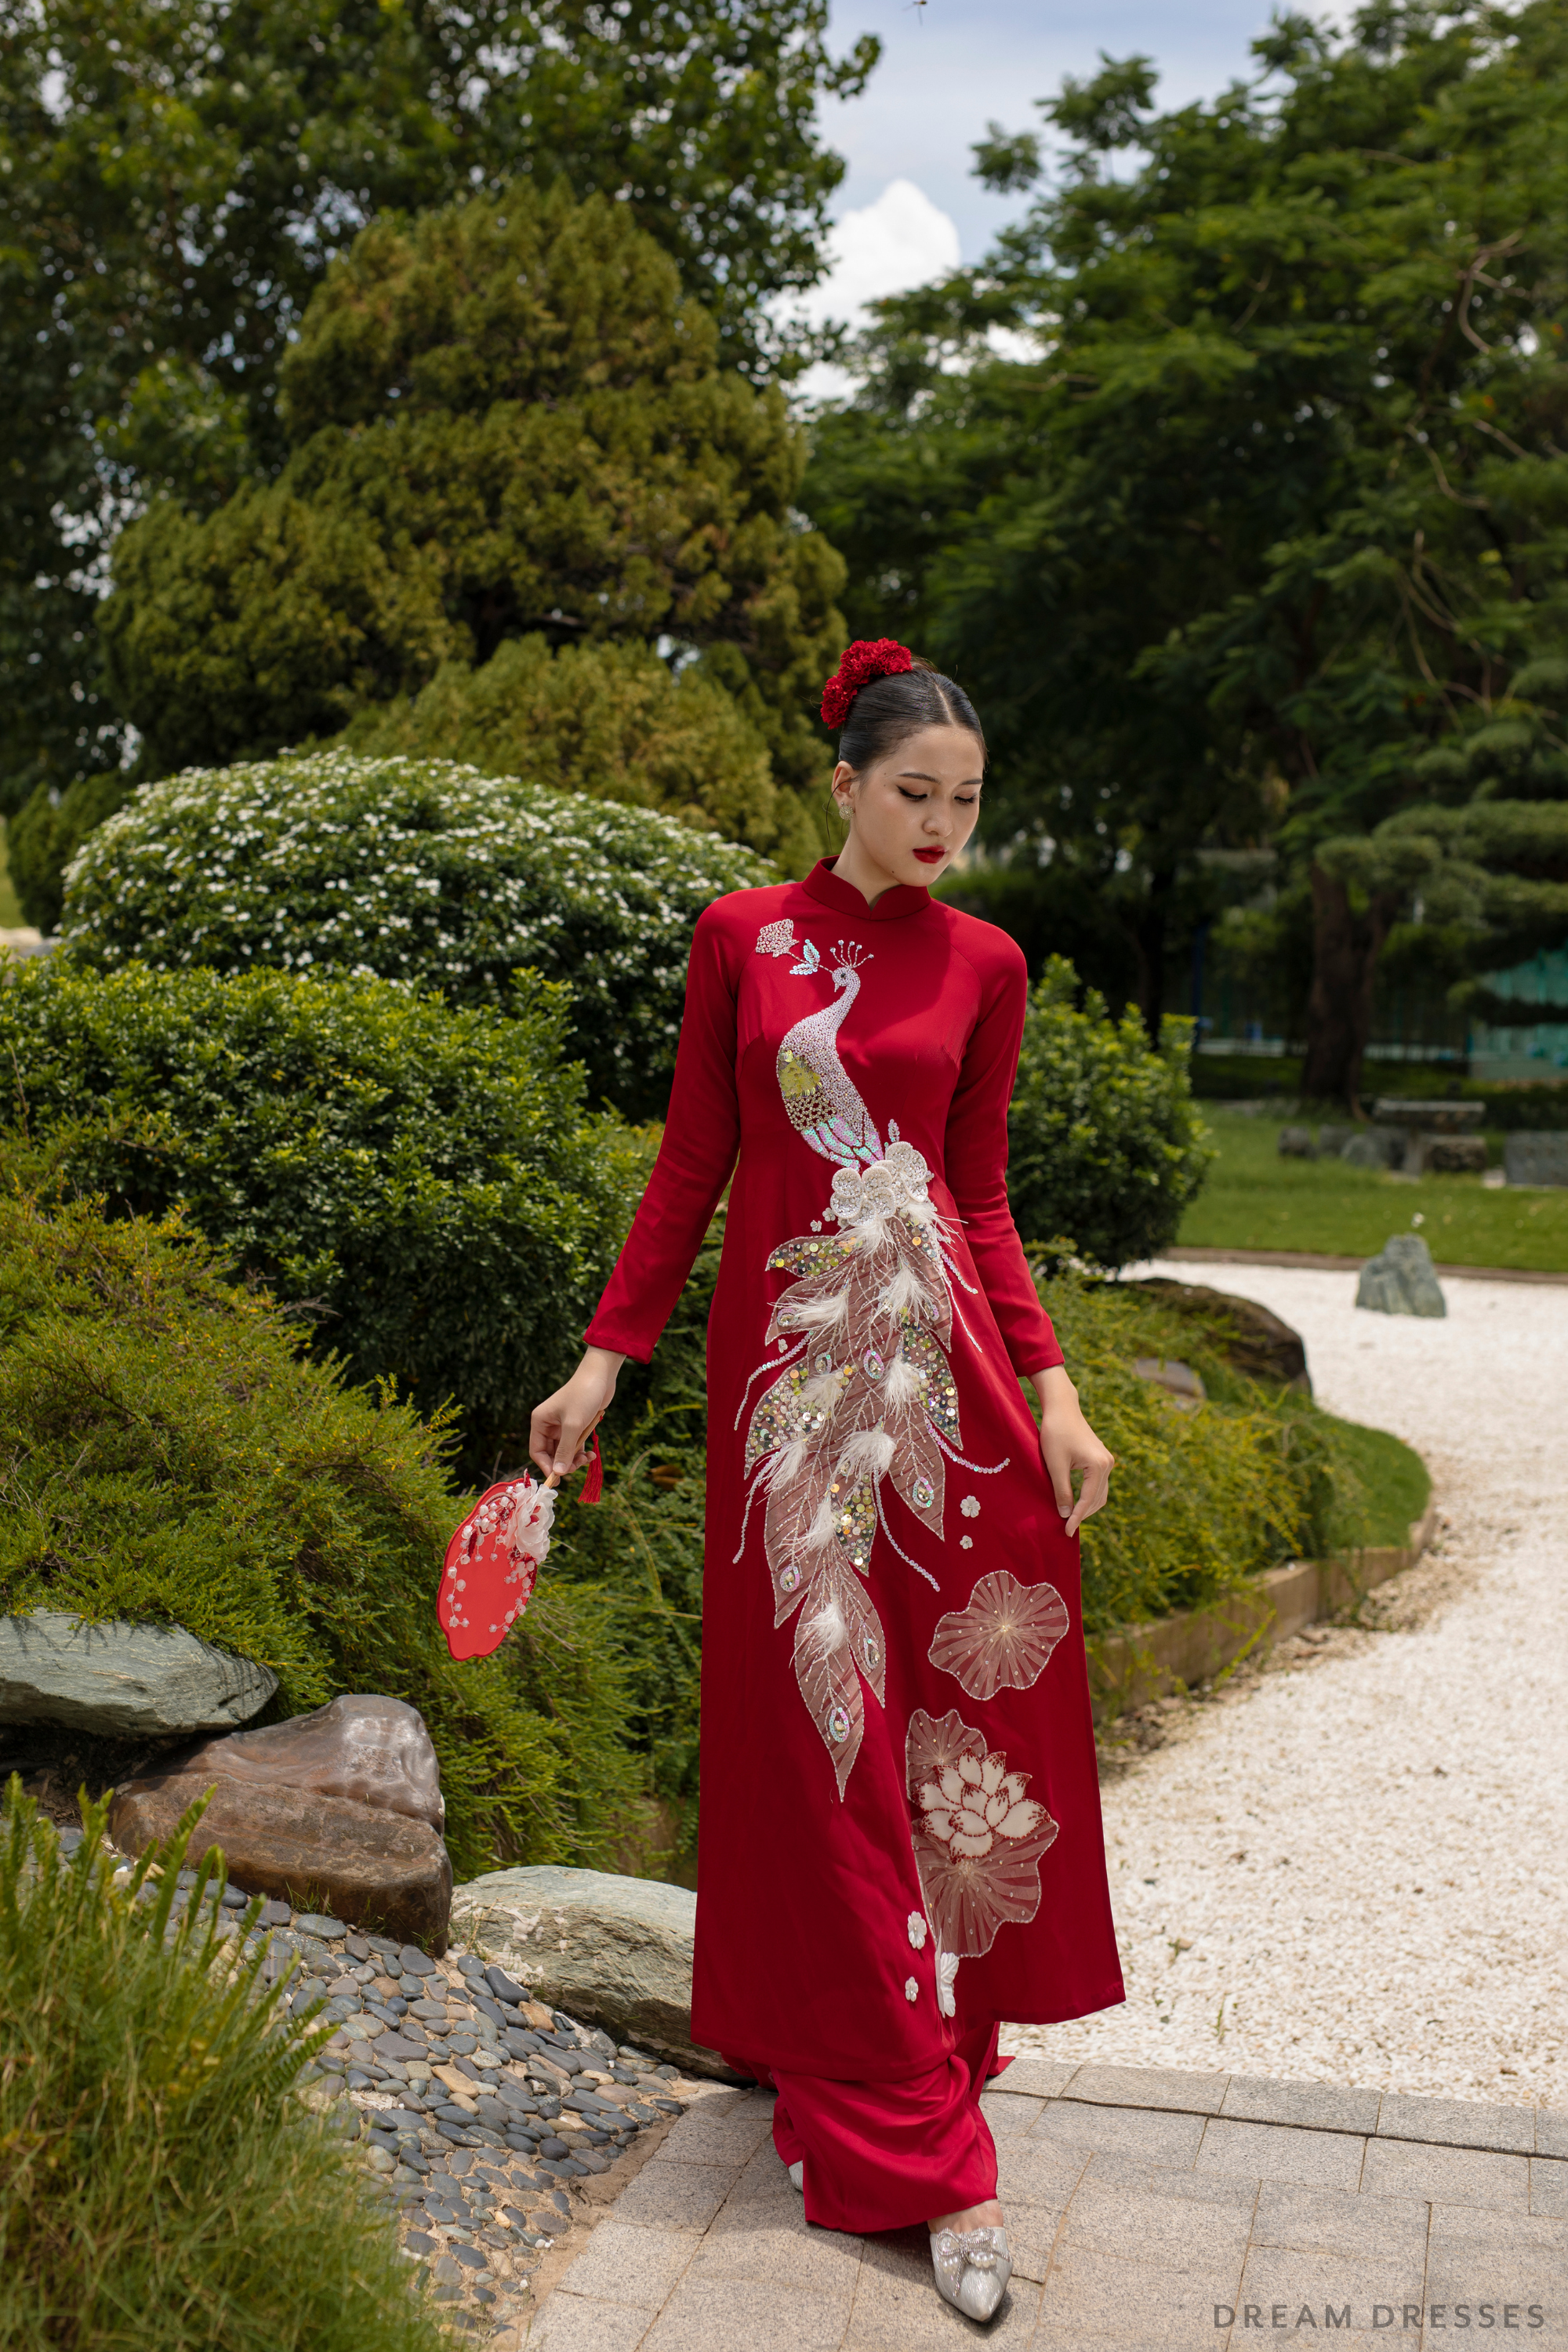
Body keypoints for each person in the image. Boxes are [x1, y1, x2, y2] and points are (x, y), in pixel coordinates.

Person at [530, 640, 1124, 2321]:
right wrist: (603, 1359)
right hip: (791, 1412)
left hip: (942, 1405)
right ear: (843, 784)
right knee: (821, 1744)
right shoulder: (744, 939)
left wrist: (1057, 1399)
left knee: (947, 1744)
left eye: (968, 802)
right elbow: (695, 1161)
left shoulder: (988, 964)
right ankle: (929, 2160)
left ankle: (903, 2066)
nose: (943, 827)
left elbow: (981, 1200)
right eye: (915, 795)